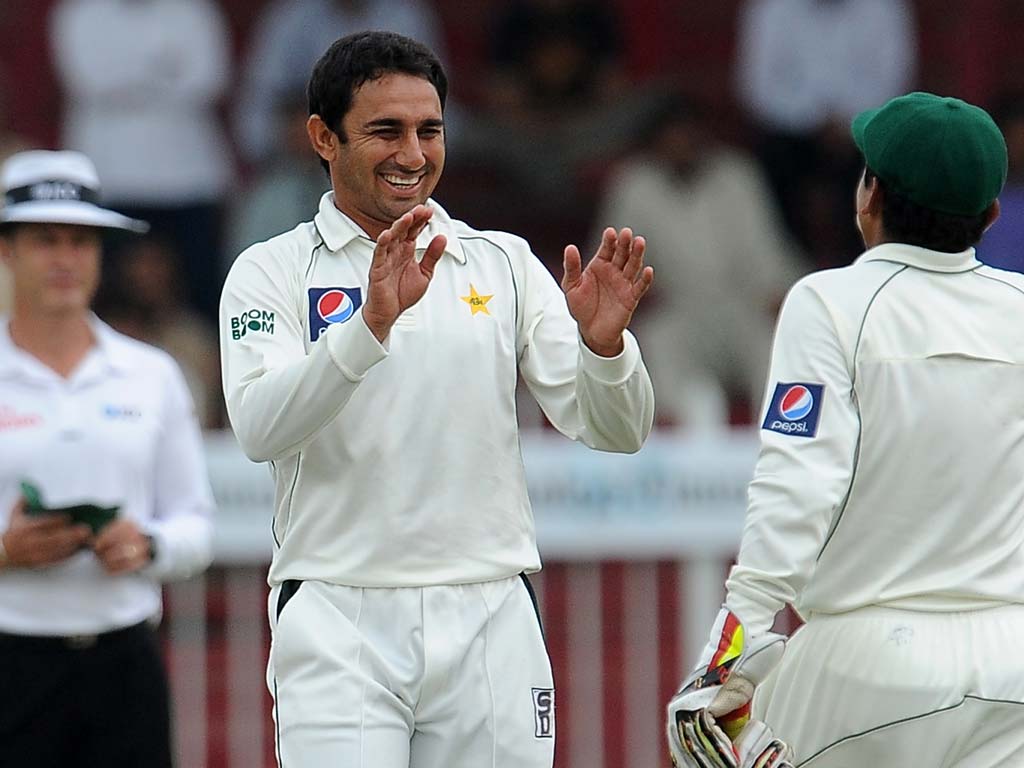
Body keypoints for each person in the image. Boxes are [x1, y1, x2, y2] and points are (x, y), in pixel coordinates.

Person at [219, 30, 655, 768]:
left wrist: (605, 349)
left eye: (429, 130)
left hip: (489, 609)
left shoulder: (503, 261)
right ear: (323, 138)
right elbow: (261, 428)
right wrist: (368, 327)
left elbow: (616, 430)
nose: (413, 155)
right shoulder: (271, 270)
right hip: (337, 611)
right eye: (385, 131)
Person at [666, 92, 1024, 767]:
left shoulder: (828, 302)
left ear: (869, 196)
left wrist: (729, 650)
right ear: (992, 214)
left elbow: (796, 484)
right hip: (1014, 665)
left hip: (869, 668)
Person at [0, 149, 215, 767]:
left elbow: (195, 522)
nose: (66, 259)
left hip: (124, 663)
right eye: (46, 240)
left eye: (82, 242)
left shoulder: (151, 374)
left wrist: (146, 546)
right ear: (8, 252)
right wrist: (6, 550)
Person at [591, 93, 805, 429]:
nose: (681, 144)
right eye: (671, 136)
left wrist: (777, 297)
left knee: (774, 343)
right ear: (655, 140)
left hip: (741, 305)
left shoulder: (737, 175)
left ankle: (778, 450)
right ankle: (691, 459)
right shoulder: (634, 184)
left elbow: (766, 253)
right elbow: (611, 266)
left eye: (687, 134)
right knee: (660, 342)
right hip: (679, 309)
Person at [50, 0, 234, 322]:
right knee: (106, 301)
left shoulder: (194, 11)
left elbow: (207, 79)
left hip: (188, 180)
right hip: (110, 179)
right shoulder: (79, 13)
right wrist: (164, 73)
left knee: (200, 302)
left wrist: (126, 79)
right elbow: (90, 81)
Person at [735, 0, 917, 269]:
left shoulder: (884, 8)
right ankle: (787, 268)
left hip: (861, 130)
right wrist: (814, 119)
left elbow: (894, 83)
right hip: (792, 132)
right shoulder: (771, 9)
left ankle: (867, 266)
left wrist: (847, 122)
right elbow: (758, 89)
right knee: (773, 164)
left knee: (883, 167)